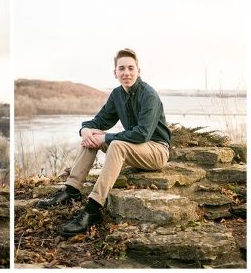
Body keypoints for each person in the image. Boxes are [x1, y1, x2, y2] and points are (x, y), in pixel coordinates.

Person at [36, 48, 171, 237]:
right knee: (93, 136)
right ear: (115, 73)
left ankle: (92, 209)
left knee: (114, 143)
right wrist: (85, 130)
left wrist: (106, 138)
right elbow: (98, 122)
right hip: (134, 148)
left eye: (131, 68)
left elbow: (142, 134)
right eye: (121, 68)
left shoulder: (149, 95)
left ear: (139, 71)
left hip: (156, 151)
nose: (126, 73)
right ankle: (71, 190)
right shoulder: (117, 95)